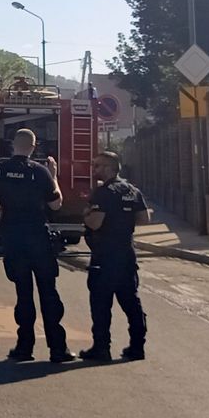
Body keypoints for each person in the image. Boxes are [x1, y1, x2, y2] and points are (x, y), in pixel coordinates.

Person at [0, 129, 74, 364]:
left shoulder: (0, 170)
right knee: (48, 293)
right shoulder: (39, 172)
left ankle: (24, 347)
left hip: (13, 238)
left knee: (23, 294)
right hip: (38, 238)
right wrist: (54, 175)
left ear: (12, 146)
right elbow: (56, 204)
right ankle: (58, 349)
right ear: (33, 146)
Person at [79, 151, 149, 362]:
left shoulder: (102, 193)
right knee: (131, 302)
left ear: (110, 168)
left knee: (101, 304)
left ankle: (101, 348)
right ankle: (137, 348)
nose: (94, 170)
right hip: (126, 254)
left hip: (104, 255)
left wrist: (86, 215)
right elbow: (144, 219)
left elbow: (95, 223)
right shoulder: (132, 190)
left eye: (98, 166)